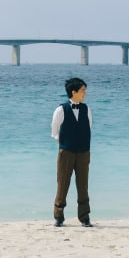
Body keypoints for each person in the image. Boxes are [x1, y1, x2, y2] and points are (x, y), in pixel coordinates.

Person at [51, 77, 93, 227]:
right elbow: (55, 132)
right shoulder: (60, 110)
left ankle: (84, 216)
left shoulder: (86, 109)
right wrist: (65, 144)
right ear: (73, 92)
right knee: (63, 183)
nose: (85, 93)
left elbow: (89, 127)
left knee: (83, 184)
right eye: (83, 90)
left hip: (83, 152)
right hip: (66, 152)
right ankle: (59, 216)